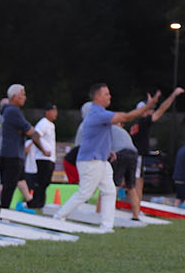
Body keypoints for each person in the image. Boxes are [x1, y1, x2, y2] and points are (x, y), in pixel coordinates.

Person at [52, 83, 169, 231]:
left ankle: (106, 226)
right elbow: (127, 117)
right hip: (91, 161)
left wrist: (108, 151)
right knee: (85, 193)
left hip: (100, 160)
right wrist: (148, 106)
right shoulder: (97, 113)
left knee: (109, 191)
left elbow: (97, 137)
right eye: (106, 94)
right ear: (97, 96)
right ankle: (58, 217)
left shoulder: (99, 114)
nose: (110, 96)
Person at [0, 84, 44, 213]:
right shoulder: (13, 111)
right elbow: (30, 131)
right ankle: (4, 212)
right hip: (13, 153)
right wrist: (32, 132)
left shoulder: (6, 111)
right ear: (15, 96)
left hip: (6, 151)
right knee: (9, 185)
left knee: (12, 182)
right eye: (23, 95)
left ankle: (26, 202)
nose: (25, 98)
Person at [24, 101, 58, 210]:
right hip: (43, 158)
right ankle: (37, 203)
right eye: (53, 111)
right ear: (47, 112)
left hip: (48, 158)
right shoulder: (44, 123)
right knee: (41, 182)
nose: (55, 113)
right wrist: (43, 150)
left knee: (45, 182)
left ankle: (39, 203)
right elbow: (35, 136)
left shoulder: (50, 125)